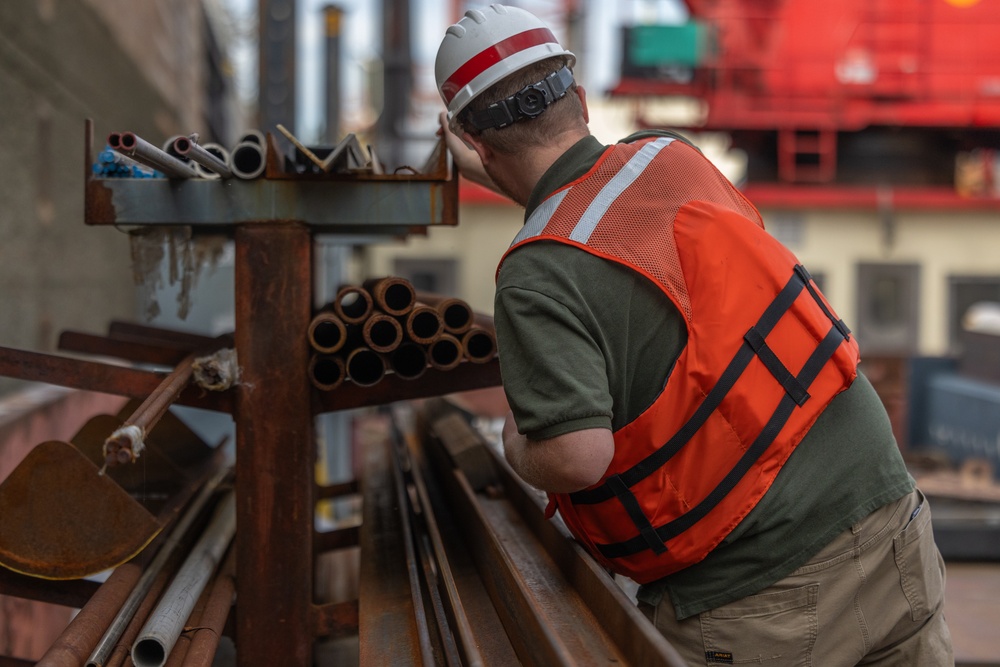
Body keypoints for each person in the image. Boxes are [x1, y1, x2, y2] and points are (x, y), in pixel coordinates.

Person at [435, 5, 953, 665]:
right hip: (888, 522)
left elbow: (575, 455)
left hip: (756, 595)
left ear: (475, 145)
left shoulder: (536, 274)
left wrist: (517, 444)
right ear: (583, 102)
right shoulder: (673, 159)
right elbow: (590, 199)